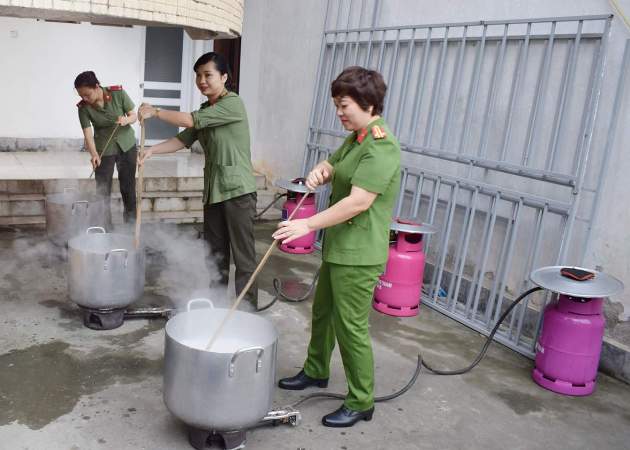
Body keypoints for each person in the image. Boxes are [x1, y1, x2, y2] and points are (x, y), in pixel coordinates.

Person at [273, 66, 401, 427]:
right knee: (324, 313)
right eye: (336, 106)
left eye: (344, 106)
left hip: (359, 255)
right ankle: (316, 370)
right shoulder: (358, 137)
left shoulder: (382, 146)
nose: (339, 113)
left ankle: (361, 401)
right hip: (340, 247)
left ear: (368, 103)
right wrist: (321, 170)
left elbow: (358, 202)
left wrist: (307, 224)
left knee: (350, 327)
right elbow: (335, 164)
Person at [138, 52, 258, 308]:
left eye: (208, 75)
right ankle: (217, 304)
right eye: (198, 76)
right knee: (215, 254)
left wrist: (155, 111)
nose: (202, 80)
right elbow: (182, 139)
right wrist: (151, 150)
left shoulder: (233, 104)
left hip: (238, 191)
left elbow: (190, 120)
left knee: (244, 257)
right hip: (214, 191)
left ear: (224, 77)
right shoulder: (206, 109)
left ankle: (246, 310)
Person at [75, 71, 138, 227]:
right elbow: (88, 135)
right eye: (81, 95)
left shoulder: (118, 94)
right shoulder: (83, 108)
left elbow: (134, 116)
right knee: (103, 191)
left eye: (87, 94)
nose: (85, 98)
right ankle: (104, 228)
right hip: (104, 148)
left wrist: (126, 120)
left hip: (126, 145)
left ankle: (131, 227)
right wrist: (94, 154)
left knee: (128, 188)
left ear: (97, 86)